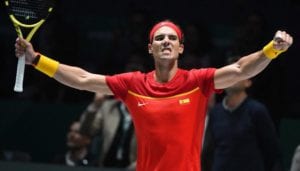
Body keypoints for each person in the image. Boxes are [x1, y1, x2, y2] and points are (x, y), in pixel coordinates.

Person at [14, 20, 293, 171]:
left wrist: (272, 49)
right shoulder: (133, 84)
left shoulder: (198, 81)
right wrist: (37, 59)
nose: (166, 42)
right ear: (151, 48)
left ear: (181, 48)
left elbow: (241, 68)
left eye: (172, 38)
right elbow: (84, 79)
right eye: (159, 38)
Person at [201, 57, 283, 171]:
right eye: (229, 73)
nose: (233, 77)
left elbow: (271, 149)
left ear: (248, 81)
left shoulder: (257, 110)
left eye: (238, 73)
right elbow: (209, 150)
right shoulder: (215, 112)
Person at [79, 93, 137, 170]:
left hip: (135, 167)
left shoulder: (149, 110)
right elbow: (86, 131)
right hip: (106, 165)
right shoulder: (108, 107)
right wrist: (95, 105)